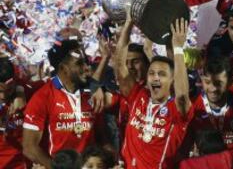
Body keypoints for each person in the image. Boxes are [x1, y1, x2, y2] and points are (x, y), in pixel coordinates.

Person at [114, 15, 192, 168]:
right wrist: (129, 23)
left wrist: (177, 48)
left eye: (162, 74)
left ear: (172, 81)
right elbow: (119, 65)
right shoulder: (137, 95)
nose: (155, 78)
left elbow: (182, 94)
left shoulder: (176, 109)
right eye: (151, 73)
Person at [22, 40, 108, 169]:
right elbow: (29, 147)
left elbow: (101, 137)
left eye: (86, 62)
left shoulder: (93, 92)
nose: (86, 67)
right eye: (79, 63)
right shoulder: (42, 97)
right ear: (63, 68)